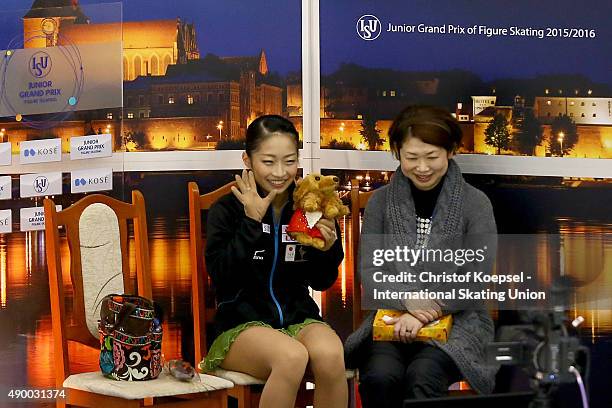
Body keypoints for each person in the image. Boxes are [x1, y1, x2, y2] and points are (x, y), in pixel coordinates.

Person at [344, 105, 498, 407]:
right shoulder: (379, 203)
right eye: (411, 158)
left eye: (432, 157)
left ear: (451, 151)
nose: (422, 167)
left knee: (423, 376)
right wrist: (407, 303)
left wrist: (423, 311)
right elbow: (371, 273)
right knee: (379, 377)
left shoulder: (475, 204)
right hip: (390, 321)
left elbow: (474, 278)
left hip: (459, 322)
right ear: (397, 154)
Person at [200, 115, 348, 408]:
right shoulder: (227, 210)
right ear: (248, 159)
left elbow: (321, 281)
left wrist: (327, 249)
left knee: (331, 355)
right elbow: (222, 277)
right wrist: (252, 224)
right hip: (240, 325)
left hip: (298, 317)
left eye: (289, 161)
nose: (280, 172)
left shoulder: (308, 207)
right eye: (268, 162)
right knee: (290, 356)